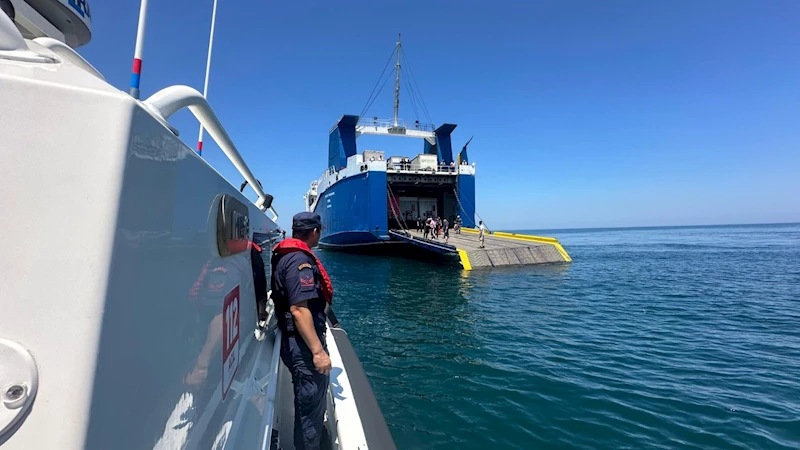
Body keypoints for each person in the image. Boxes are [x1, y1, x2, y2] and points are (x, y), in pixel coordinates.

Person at [271, 212, 334, 450]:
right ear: (315, 232)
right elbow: (299, 309)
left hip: (294, 341)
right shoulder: (300, 262)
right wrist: (318, 352)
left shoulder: (285, 256)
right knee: (310, 403)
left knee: (308, 402)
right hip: (303, 346)